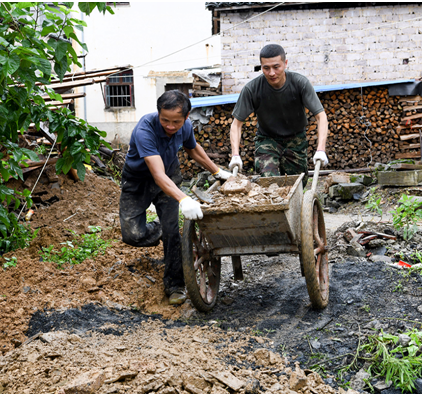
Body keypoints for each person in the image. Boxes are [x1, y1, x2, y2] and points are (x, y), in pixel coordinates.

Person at [119, 90, 232, 305]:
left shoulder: (186, 127)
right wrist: (184, 198)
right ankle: (160, 229)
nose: (170, 126)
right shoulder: (145, 130)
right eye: (165, 120)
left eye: (176, 122)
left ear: (186, 118)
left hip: (169, 177)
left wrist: (216, 171)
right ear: (158, 113)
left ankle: (175, 285)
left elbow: (193, 149)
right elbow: (157, 174)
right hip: (138, 182)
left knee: (173, 234)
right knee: (132, 235)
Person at [229, 44, 329, 187]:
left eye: (276, 67)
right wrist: (235, 154)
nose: (271, 73)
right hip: (267, 140)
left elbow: (321, 116)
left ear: (285, 63)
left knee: (297, 185)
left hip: (295, 140)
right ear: (261, 66)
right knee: (270, 182)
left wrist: (320, 149)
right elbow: (236, 124)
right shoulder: (252, 89)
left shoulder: (300, 83)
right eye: (266, 68)